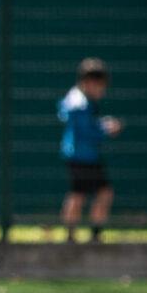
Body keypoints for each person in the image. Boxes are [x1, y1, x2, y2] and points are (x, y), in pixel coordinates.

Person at [59, 57, 121, 243]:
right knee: (81, 195)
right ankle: (80, 236)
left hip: (85, 155)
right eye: (100, 86)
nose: (102, 91)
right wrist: (106, 128)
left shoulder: (77, 99)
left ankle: (86, 234)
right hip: (82, 156)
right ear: (89, 83)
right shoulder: (79, 104)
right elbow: (86, 132)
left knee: (90, 193)